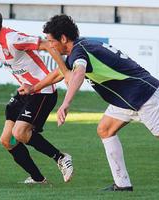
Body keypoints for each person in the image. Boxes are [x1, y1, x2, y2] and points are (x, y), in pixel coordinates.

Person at [18, 14, 159, 191]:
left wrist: (66, 103)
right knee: (105, 129)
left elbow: (78, 73)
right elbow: (60, 73)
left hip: (145, 95)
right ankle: (122, 184)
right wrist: (34, 88)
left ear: (63, 38)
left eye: (51, 41)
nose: (50, 46)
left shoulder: (79, 52)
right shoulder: (81, 47)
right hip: (127, 99)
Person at [0, 8, 73, 184]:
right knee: (7, 140)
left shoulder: (12, 39)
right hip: (25, 92)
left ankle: (61, 157)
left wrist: (65, 73)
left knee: (20, 133)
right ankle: (38, 179)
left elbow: (47, 45)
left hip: (43, 92)